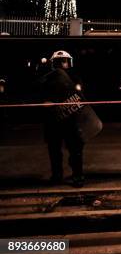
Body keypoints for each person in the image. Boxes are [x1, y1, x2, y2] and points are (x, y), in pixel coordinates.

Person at [38, 51, 87, 187]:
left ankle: (78, 176)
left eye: (65, 61)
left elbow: (81, 96)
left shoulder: (75, 77)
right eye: (60, 61)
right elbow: (41, 96)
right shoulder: (47, 78)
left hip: (71, 119)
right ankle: (57, 175)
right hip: (53, 120)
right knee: (54, 150)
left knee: (75, 150)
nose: (63, 64)